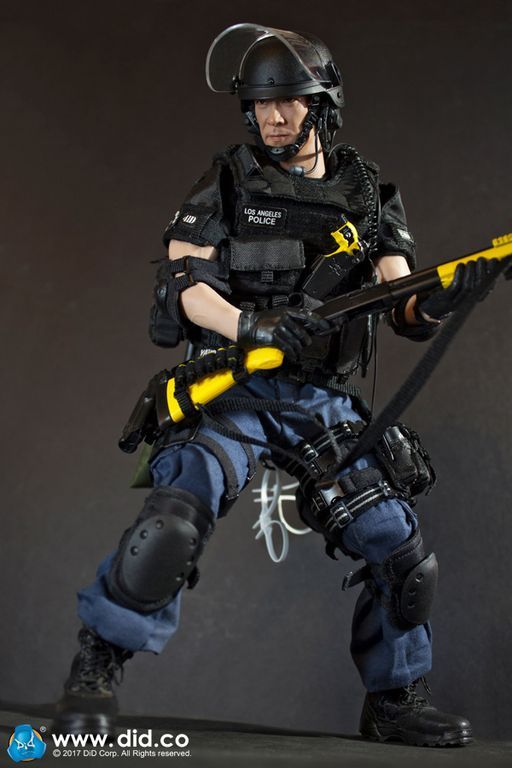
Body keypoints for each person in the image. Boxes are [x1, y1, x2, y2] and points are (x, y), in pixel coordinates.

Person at [55, 23, 497, 747]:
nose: (274, 117)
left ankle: (394, 700)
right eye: (261, 104)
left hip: (318, 399)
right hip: (233, 386)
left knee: (400, 548)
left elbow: (402, 303)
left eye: (289, 101)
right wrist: (249, 326)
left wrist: (442, 297)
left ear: (323, 106)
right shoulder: (228, 180)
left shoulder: (366, 193)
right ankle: (94, 670)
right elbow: (184, 283)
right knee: (171, 524)